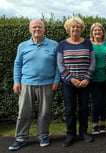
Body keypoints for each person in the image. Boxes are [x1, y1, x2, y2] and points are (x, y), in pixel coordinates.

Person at [9, 19, 60, 151]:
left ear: (44, 29)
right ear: (29, 29)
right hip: (26, 83)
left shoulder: (54, 45)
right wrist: (16, 81)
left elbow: (58, 65)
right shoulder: (22, 46)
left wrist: (56, 80)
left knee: (44, 112)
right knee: (23, 113)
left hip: (47, 84)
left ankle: (43, 136)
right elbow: (17, 64)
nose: (37, 29)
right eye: (34, 27)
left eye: (40, 27)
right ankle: (20, 138)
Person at [57, 16, 95, 147]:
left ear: (81, 29)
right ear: (68, 29)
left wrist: (87, 78)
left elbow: (93, 61)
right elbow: (60, 64)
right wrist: (71, 78)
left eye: (78, 27)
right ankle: (70, 134)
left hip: (85, 83)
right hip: (69, 83)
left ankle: (83, 132)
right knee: (70, 109)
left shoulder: (87, 43)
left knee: (84, 108)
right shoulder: (62, 44)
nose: (75, 29)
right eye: (73, 26)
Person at [89, 23, 106, 135]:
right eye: (95, 30)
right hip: (93, 78)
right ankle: (95, 124)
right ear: (92, 32)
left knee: (104, 102)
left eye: (99, 30)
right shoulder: (88, 44)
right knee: (96, 102)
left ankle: (103, 123)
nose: (97, 32)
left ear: (103, 32)